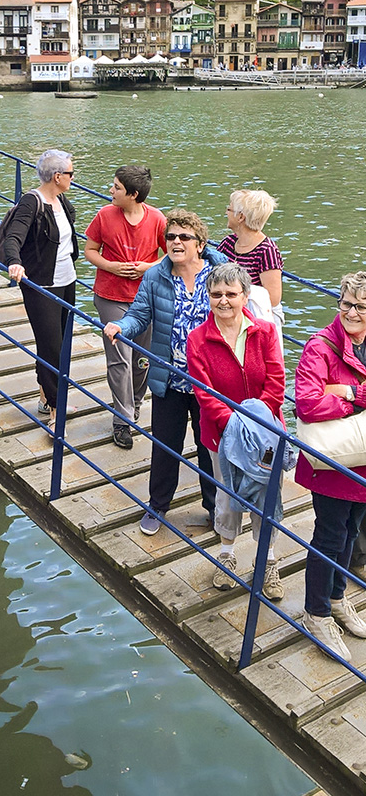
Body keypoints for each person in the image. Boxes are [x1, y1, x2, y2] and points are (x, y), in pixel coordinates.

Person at [103, 209, 219, 535]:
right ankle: (158, 506)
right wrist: (121, 326)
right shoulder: (156, 276)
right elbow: (140, 314)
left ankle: (214, 508)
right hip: (169, 378)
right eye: (171, 236)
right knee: (165, 446)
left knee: (209, 448)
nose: (176, 242)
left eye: (184, 237)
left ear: (199, 243)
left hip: (209, 383)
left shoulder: (219, 273)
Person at [186, 263, 286, 600]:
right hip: (220, 434)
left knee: (267, 496)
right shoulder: (197, 340)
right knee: (228, 495)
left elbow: (276, 382)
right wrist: (235, 428)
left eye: (231, 294)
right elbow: (204, 392)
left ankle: (268, 560)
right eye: (216, 294)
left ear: (245, 296)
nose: (224, 301)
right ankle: (226, 553)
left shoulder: (266, 332)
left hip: (267, 434)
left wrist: (254, 427)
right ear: (208, 297)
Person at [294, 270, 366, 661]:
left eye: (361, 306)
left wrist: (348, 392)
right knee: (329, 535)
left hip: (363, 460)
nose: (352, 312)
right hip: (333, 463)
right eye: (346, 304)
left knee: (352, 531)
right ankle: (316, 612)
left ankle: (338, 597)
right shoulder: (319, 347)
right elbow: (307, 404)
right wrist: (357, 399)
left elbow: (334, 397)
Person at [85, 165, 166, 449]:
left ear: (133, 195)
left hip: (146, 298)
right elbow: (90, 250)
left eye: (117, 187)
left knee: (141, 359)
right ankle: (122, 421)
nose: (111, 190)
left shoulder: (156, 219)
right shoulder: (104, 215)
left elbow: (169, 256)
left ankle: (135, 403)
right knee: (119, 356)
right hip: (111, 296)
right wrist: (111, 267)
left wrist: (147, 266)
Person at [4, 149, 78, 428]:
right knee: (51, 347)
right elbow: (14, 236)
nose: (73, 178)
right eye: (70, 174)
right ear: (57, 176)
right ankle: (56, 411)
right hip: (42, 284)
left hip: (66, 280)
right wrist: (14, 262)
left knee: (58, 344)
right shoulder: (30, 202)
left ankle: (46, 397)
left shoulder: (61, 199)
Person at [217, 189, 283, 312]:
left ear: (241, 217)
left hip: (251, 316)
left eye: (229, 209)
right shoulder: (228, 242)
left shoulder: (266, 251)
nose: (226, 213)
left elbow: (273, 299)